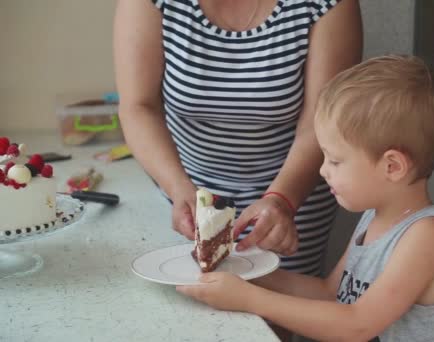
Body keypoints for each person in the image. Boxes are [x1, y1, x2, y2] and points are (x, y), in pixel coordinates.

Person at [176, 55, 434, 342]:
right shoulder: (375, 217)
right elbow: (331, 293)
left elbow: (357, 325)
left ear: (391, 166)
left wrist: (249, 299)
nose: (322, 170)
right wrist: (241, 269)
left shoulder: (428, 235)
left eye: (335, 161)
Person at [114, 0, 362, 275]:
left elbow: (321, 122)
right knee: (189, 302)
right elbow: (138, 107)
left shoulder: (327, 4)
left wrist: (281, 199)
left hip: (290, 195)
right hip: (183, 192)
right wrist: (177, 188)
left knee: (279, 308)